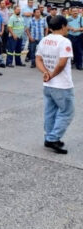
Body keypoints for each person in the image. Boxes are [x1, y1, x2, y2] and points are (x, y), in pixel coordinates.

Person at [36, 15, 74, 154]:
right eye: (67, 26)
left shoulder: (44, 40)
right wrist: (51, 74)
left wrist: (45, 73)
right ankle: (53, 138)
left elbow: (38, 59)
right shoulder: (65, 42)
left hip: (48, 84)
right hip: (62, 85)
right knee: (67, 112)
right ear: (63, 26)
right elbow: (62, 63)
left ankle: (49, 137)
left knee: (50, 112)